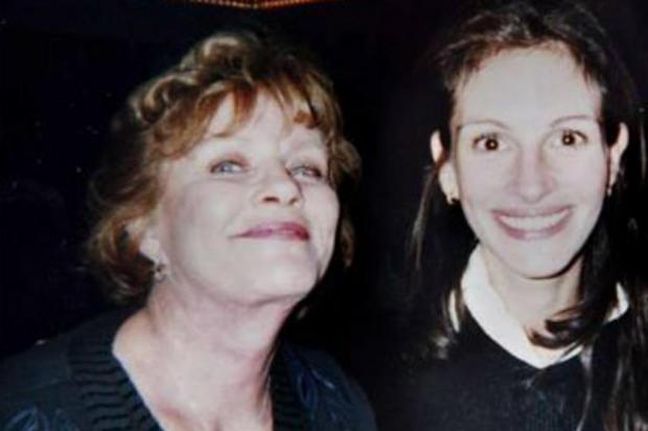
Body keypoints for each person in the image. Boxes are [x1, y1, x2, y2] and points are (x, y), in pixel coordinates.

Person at [0, 30, 375, 431]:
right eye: (228, 165)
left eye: (307, 168)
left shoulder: (335, 403)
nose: (285, 187)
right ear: (143, 227)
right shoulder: (22, 410)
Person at [375, 1, 648, 430]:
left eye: (567, 138)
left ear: (612, 157)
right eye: (492, 142)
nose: (531, 185)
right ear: (447, 167)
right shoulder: (374, 387)